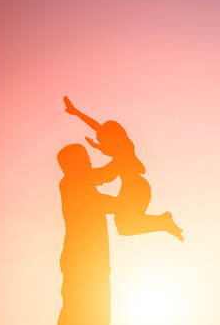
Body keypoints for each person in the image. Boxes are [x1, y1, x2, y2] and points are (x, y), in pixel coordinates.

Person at [63, 96, 184, 241]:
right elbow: (98, 127)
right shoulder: (121, 151)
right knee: (124, 227)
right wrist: (77, 113)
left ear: (112, 139)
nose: (102, 144)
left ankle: (163, 221)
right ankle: (162, 222)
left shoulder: (123, 151)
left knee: (125, 226)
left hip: (137, 189)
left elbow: (107, 174)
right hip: (133, 188)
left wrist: (86, 178)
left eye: (103, 141)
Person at [54, 143, 118, 325]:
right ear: (72, 164)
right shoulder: (71, 182)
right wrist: (122, 150)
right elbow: (109, 173)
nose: (89, 161)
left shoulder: (86, 189)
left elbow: (109, 202)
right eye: (84, 158)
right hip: (80, 261)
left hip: (94, 263)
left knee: (88, 322)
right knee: (71, 318)